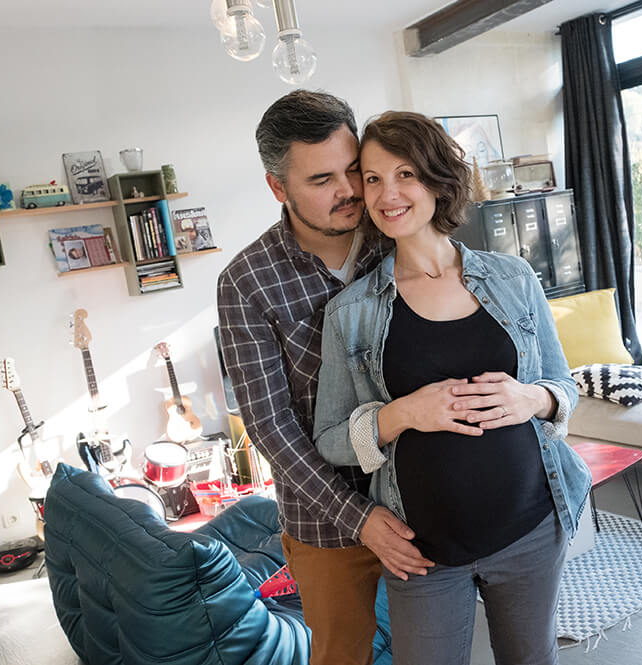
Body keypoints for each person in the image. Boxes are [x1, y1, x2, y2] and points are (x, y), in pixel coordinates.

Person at [312, 111, 592, 665]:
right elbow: (328, 437)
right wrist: (403, 414)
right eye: (372, 178)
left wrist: (531, 398)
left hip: (532, 528)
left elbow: (564, 384)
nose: (388, 193)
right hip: (422, 553)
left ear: (438, 181)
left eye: (405, 174)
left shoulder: (513, 278)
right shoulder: (351, 313)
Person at [217, 91, 433, 665]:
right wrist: (358, 518)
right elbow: (269, 424)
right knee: (341, 655)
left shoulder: (399, 238)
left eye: (352, 171)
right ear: (277, 187)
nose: (349, 191)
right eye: (321, 179)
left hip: (422, 493)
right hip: (325, 518)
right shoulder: (246, 281)